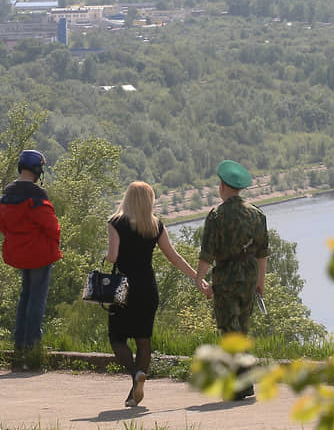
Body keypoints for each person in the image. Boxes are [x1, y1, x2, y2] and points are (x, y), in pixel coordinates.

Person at [106, 181, 206, 407]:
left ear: (128, 198)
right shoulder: (155, 225)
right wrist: (197, 278)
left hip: (123, 288)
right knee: (143, 341)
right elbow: (174, 257)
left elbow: (112, 257)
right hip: (147, 288)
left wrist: (106, 255)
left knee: (117, 339)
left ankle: (134, 375)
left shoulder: (115, 222)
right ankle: (136, 387)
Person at [195, 160, 269, 400]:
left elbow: (207, 251)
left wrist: (199, 278)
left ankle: (241, 382)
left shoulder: (217, 215)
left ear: (223, 186)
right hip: (248, 274)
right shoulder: (257, 214)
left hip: (226, 275)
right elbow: (262, 252)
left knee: (229, 328)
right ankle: (244, 382)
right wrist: (261, 281)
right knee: (242, 328)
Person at [0, 149, 62, 359]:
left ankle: (19, 343)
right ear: (37, 170)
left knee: (25, 296)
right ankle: (32, 345)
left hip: (19, 252)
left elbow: (3, 225)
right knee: (37, 299)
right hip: (39, 253)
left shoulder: (7, 195)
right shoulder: (36, 196)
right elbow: (52, 227)